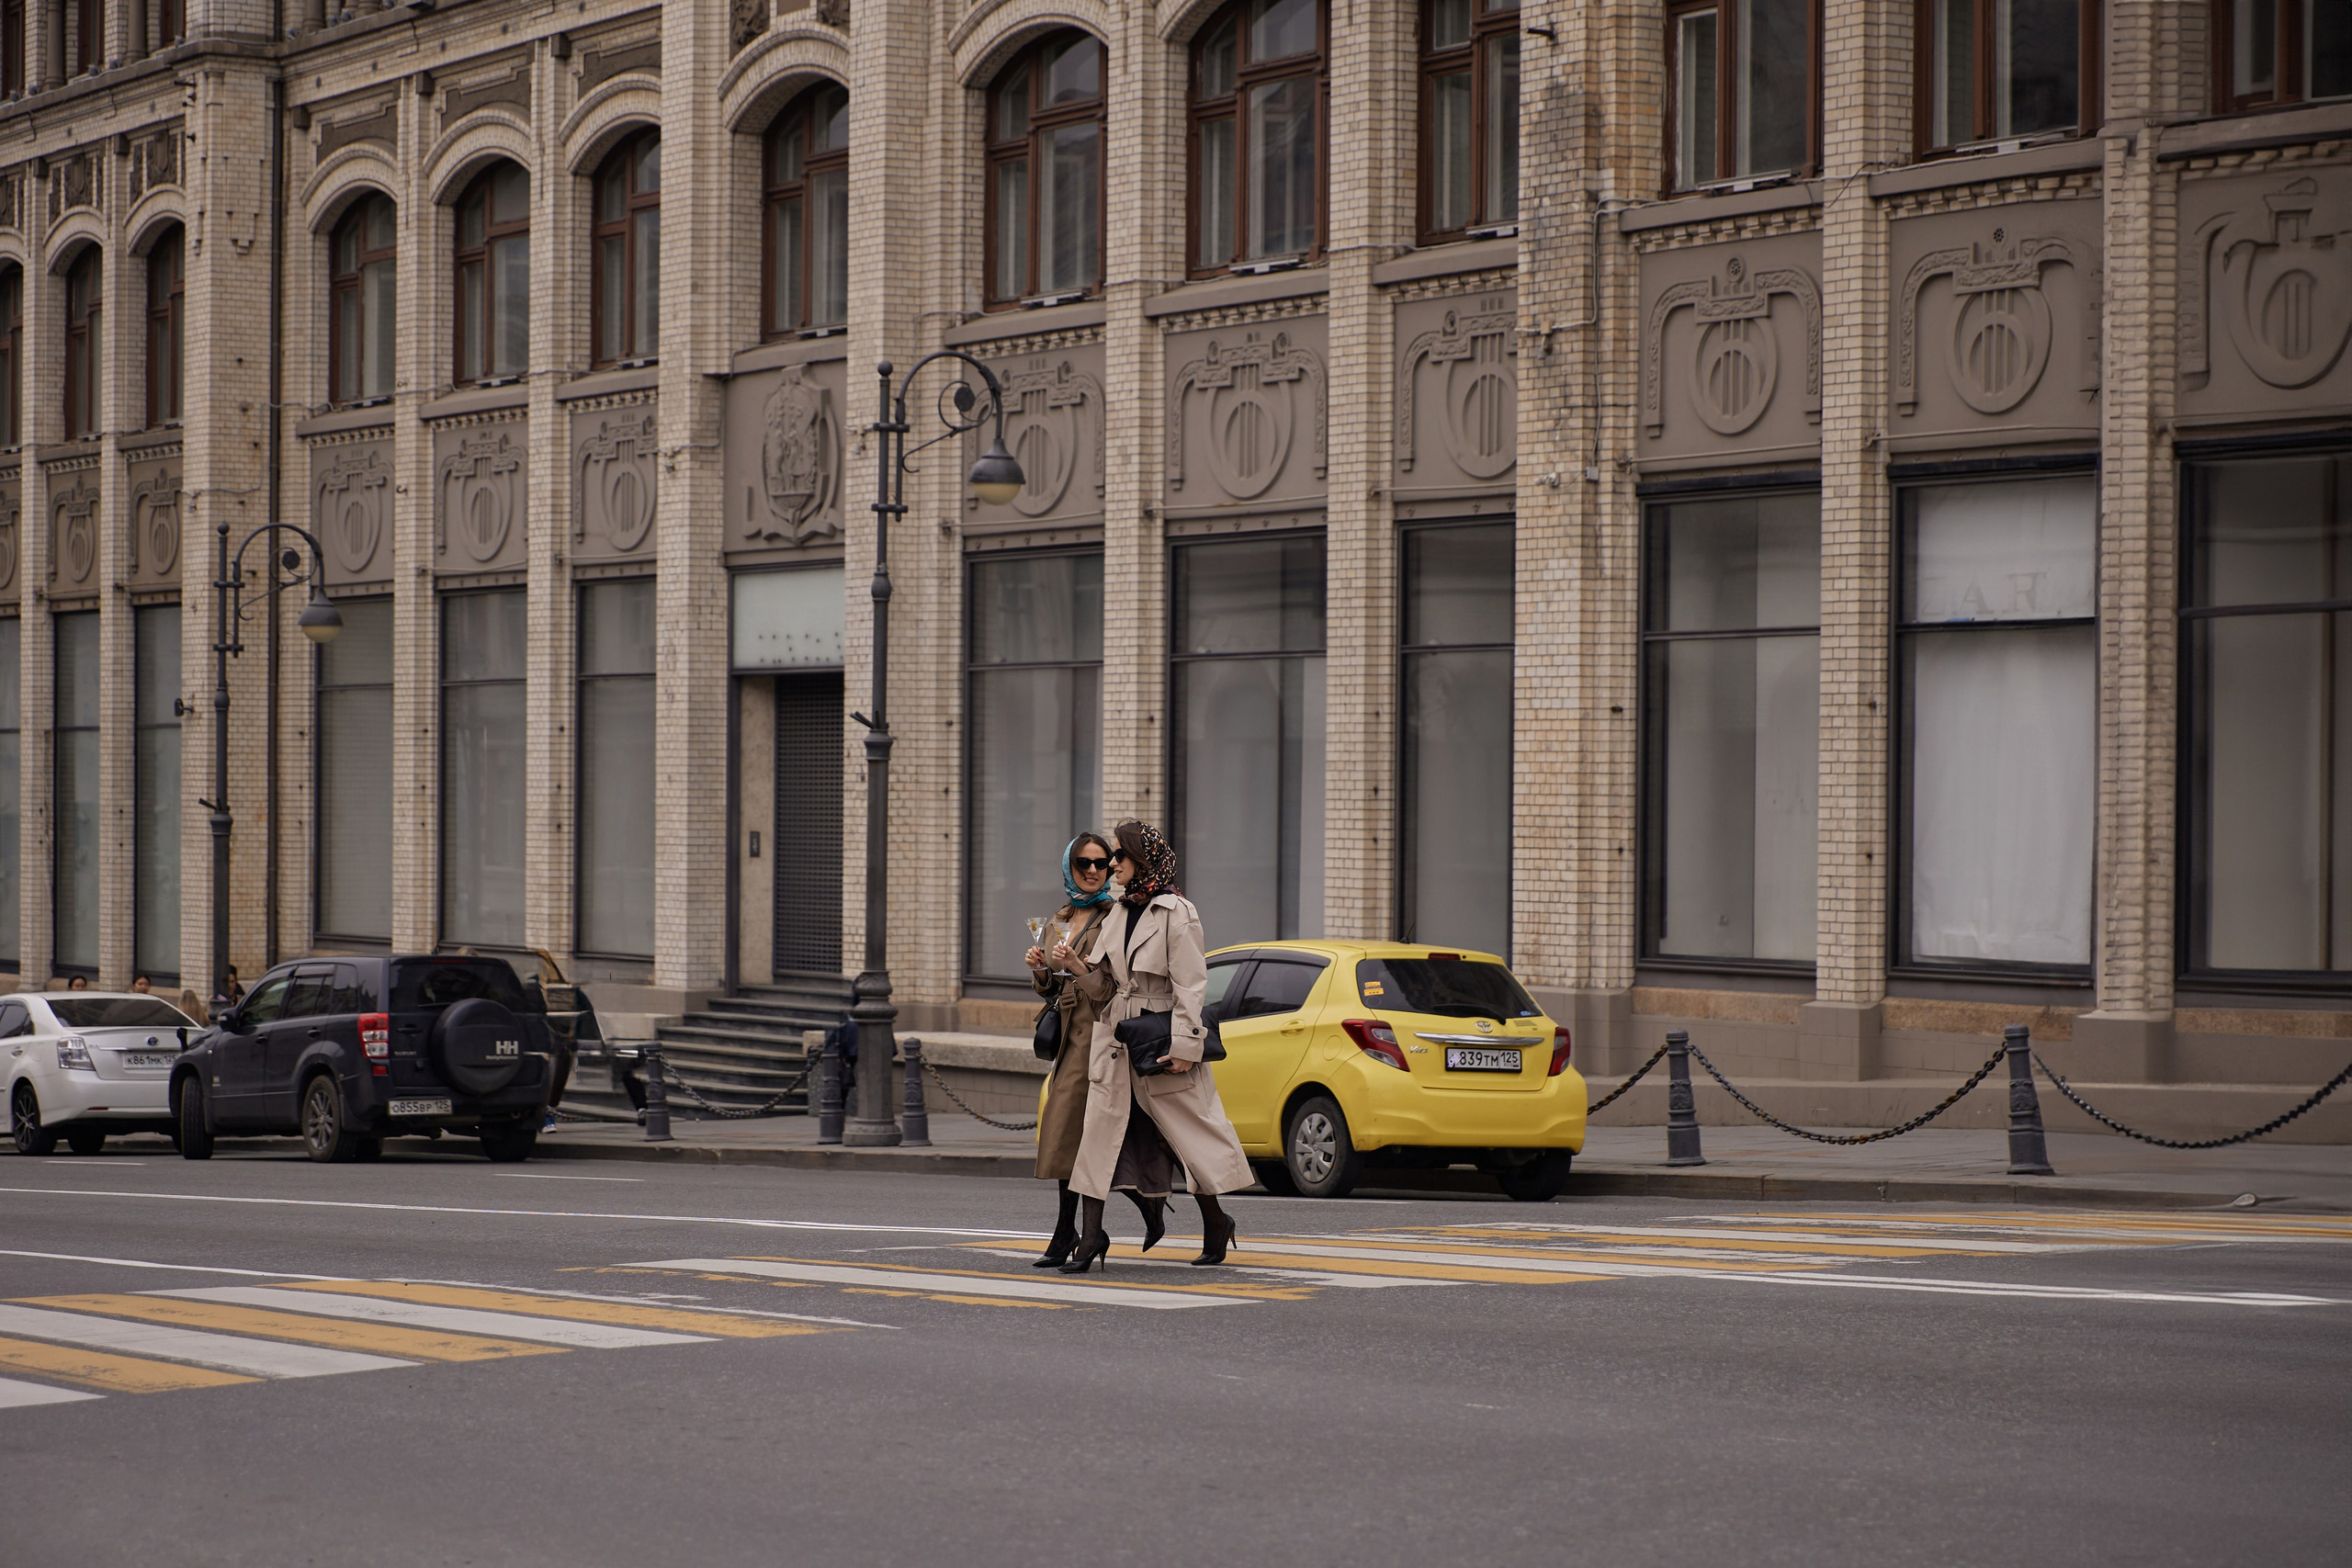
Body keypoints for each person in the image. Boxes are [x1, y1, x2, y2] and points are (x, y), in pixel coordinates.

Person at [1054, 819, 1254, 1272]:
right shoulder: (1120, 911)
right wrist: (1074, 967)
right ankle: (1088, 1241)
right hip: (1115, 1042)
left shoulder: (1176, 911)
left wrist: (1186, 1046)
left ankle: (1216, 1220)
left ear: (1140, 860)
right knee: (1097, 1142)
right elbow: (1104, 986)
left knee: (1183, 1140)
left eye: (1118, 857)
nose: (1111, 866)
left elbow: (1191, 984)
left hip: (1161, 1040)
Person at [1025, 833, 1172, 1268]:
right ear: (1068, 868)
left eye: (1101, 863)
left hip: (1105, 1038)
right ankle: (1076, 1229)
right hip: (1071, 1042)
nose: (1093, 871)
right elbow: (1051, 990)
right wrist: (1041, 972)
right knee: (1068, 1138)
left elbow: (1111, 989)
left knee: (1106, 1140)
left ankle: (1107, 1223)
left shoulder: (1117, 916)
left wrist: (1074, 968)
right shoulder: (1061, 917)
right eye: (1083, 864)